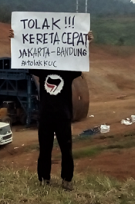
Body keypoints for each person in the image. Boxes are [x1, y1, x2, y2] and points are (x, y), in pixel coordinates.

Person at [9, 29, 94, 191]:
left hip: (63, 117)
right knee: (44, 150)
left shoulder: (68, 71)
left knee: (66, 151)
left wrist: (87, 42)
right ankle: (43, 179)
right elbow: (24, 60)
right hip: (45, 117)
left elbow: (81, 59)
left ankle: (67, 180)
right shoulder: (43, 69)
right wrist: (15, 40)